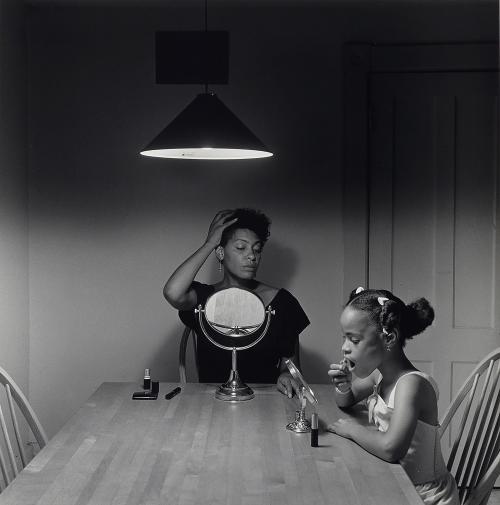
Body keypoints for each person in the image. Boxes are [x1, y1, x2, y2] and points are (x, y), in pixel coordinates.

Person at [327, 287, 459, 505]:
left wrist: (352, 430)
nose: (344, 348)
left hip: (423, 496)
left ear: (389, 339)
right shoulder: (379, 375)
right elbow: (346, 400)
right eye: (344, 338)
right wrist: (343, 386)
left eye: (354, 340)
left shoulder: (411, 385)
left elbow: (391, 449)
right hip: (395, 479)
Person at [163, 208, 310, 397]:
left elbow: (291, 367)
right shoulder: (204, 299)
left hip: (264, 402)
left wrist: (287, 376)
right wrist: (209, 244)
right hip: (212, 402)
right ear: (221, 253)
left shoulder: (282, 302)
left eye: (257, 249)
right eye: (241, 247)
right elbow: (172, 293)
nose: (252, 256)